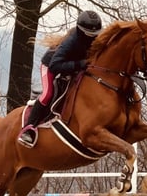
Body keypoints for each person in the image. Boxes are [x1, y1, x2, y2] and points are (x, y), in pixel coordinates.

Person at [17, 10, 102, 148]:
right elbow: (55, 66)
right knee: (48, 94)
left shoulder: (96, 37)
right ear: (81, 31)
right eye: (89, 35)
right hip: (50, 66)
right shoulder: (71, 42)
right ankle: (28, 129)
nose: (93, 38)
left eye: (95, 34)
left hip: (71, 67)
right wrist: (78, 64)